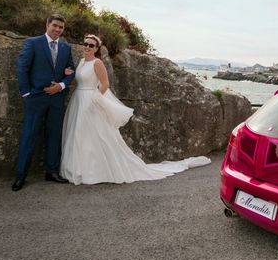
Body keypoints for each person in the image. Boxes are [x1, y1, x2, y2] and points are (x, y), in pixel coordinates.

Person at [59, 34, 210, 185]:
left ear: (96, 48)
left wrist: (95, 100)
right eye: (85, 44)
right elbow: (80, 79)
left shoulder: (97, 63)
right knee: (79, 134)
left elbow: (105, 84)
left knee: (95, 136)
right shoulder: (82, 61)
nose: (87, 47)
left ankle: (95, 170)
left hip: (91, 101)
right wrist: (68, 74)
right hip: (78, 100)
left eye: (91, 45)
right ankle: (78, 168)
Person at [12, 14, 75, 191]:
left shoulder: (65, 47)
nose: (57, 30)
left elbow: (71, 71)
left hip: (57, 99)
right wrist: (26, 94)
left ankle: (51, 171)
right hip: (35, 98)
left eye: (61, 27)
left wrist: (61, 85)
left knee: (54, 135)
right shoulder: (33, 43)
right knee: (29, 135)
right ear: (47, 24)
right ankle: (20, 175)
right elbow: (22, 68)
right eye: (55, 26)